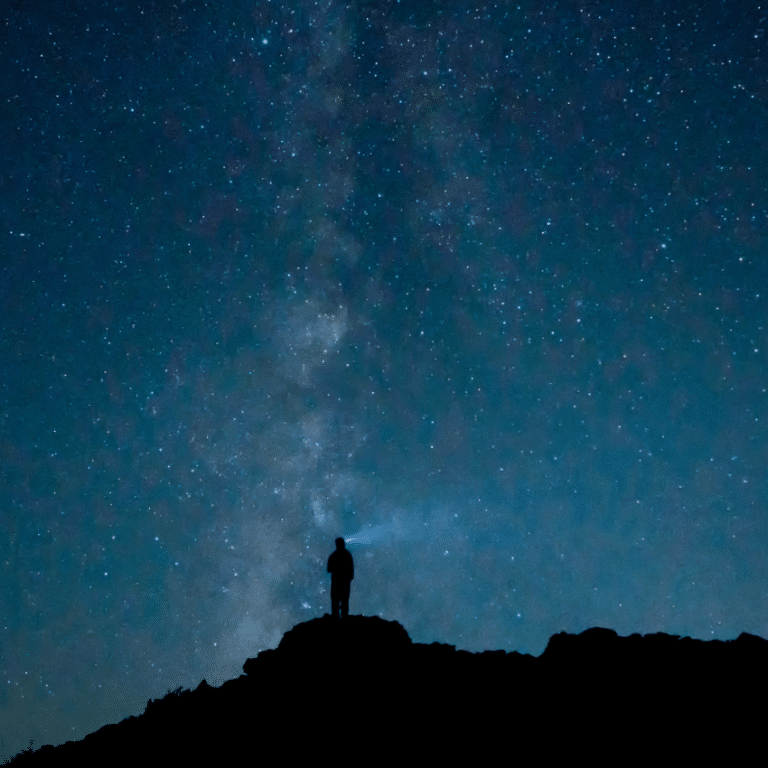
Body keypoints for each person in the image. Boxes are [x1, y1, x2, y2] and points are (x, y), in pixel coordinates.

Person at [327, 537, 354, 619]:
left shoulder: (334, 555)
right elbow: (351, 570)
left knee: (338, 602)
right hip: (343, 582)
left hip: (338, 582)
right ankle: (342, 618)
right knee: (342, 602)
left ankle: (338, 618)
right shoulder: (347, 555)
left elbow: (329, 569)